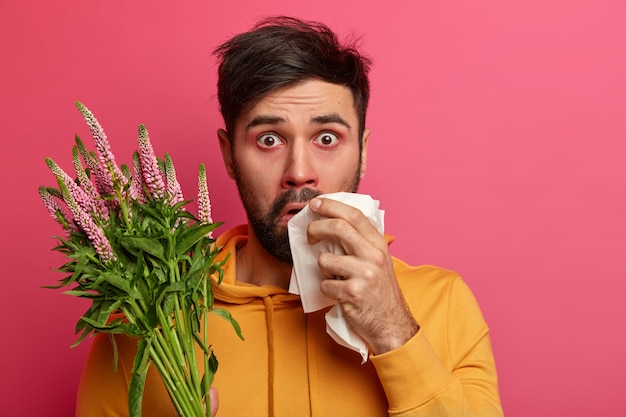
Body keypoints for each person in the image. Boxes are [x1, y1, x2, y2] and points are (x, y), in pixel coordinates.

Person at [76, 16, 503, 416]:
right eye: (268, 139)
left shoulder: (443, 303)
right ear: (229, 156)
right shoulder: (149, 321)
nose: (300, 170)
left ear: (364, 151)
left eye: (327, 137)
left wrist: (393, 329)